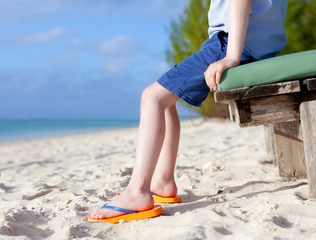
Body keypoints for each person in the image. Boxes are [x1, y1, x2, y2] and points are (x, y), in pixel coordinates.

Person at [89, 0, 287, 222]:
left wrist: (231, 56)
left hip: (233, 43)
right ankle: (163, 181)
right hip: (257, 45)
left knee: (152, 97)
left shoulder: (231, 46)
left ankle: (137, 191)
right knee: (166, 98)